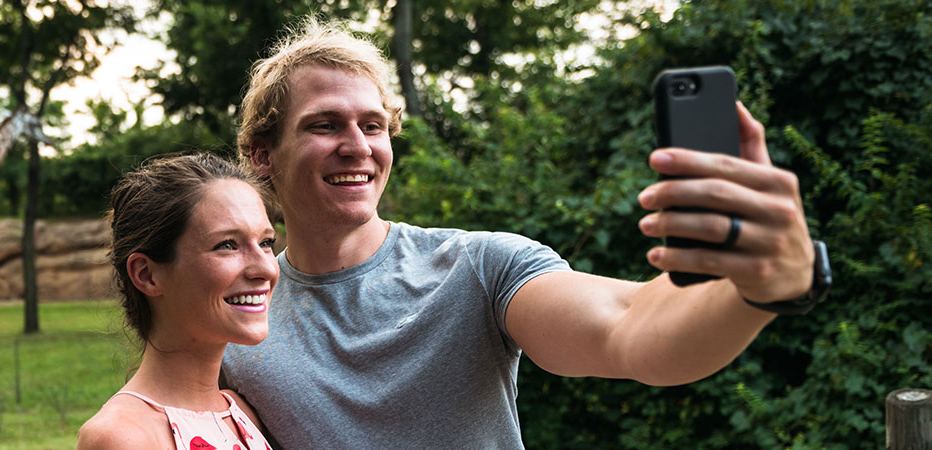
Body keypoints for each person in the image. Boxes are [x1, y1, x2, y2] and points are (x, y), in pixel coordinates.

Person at [220, 19, 828, 448]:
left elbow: (632, 330)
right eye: (325, 124)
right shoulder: (234, 311)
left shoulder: (480, 268)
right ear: (262, 154)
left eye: (374, 125)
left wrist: (762, 285)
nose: (357, 146)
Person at [78, 153, 280, 450]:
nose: (266, 269)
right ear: (147, 275)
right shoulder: (123, 437)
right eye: (227, 245)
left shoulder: (242, 415)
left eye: (265, 243)